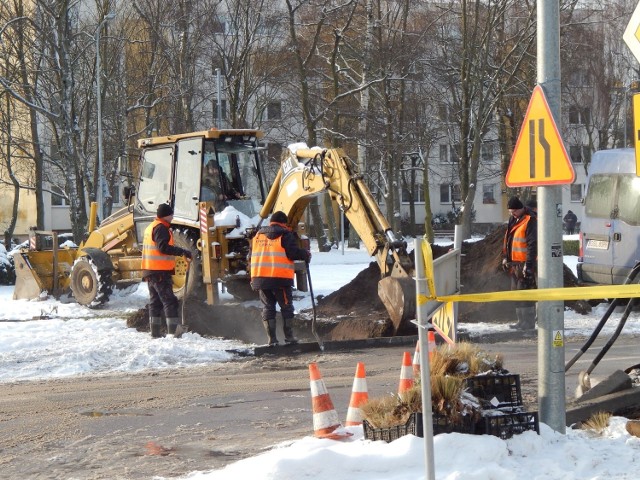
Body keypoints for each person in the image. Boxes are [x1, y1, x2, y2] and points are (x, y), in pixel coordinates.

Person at [250, 211, 311, 346]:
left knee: (268, 307)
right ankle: (289, 337)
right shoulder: (285, 234)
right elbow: (292, 253)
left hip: (261, 278)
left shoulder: (258, 236)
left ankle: (272, 339)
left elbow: (251, 256)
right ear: (283, 222)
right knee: (286, 306)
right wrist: (305, 254)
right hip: (279, 278)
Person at [142, 203, 193, 338]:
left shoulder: (150, 227)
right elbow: (163, 248)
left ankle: (155, 333)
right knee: (169, 301)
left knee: (155, 302)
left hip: (151, 271)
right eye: (171, 215)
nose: (172, 217)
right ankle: (173, 332)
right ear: (166, 215)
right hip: (160, 272)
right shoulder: (161, 228)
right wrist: (182, 251)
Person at [502, 196, 537, 331]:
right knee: (516, 293)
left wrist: (529, 265)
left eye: (514, 211)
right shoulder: (514, 219)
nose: (512, 214)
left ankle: (528, 323)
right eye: (510, 211)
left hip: (523, 263)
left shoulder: (530, 220)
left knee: (525, 294)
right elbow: (509, 241)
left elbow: (532, 244)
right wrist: (506, 257)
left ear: (521, 208)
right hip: (514, 264)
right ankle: (521, 321)